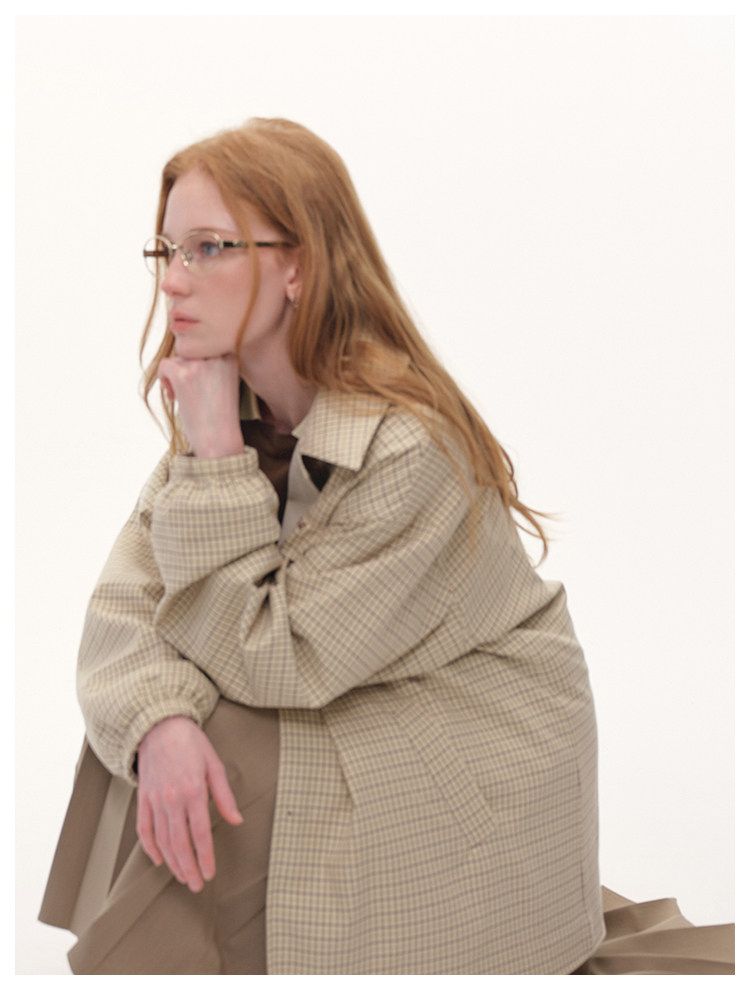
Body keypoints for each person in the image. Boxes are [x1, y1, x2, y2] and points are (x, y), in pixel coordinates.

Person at [40, 117, 606, 974]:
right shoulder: (230, 406)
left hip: (468, 743)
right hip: (351, 683)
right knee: (163, 730)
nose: (175, 280)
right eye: (167, 252)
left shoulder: (411, 446)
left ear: (297, 266)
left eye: (209, 248)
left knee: (227, 741)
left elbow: (278, 655)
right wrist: (158, 723)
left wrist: (216, 460)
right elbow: (125, 605)